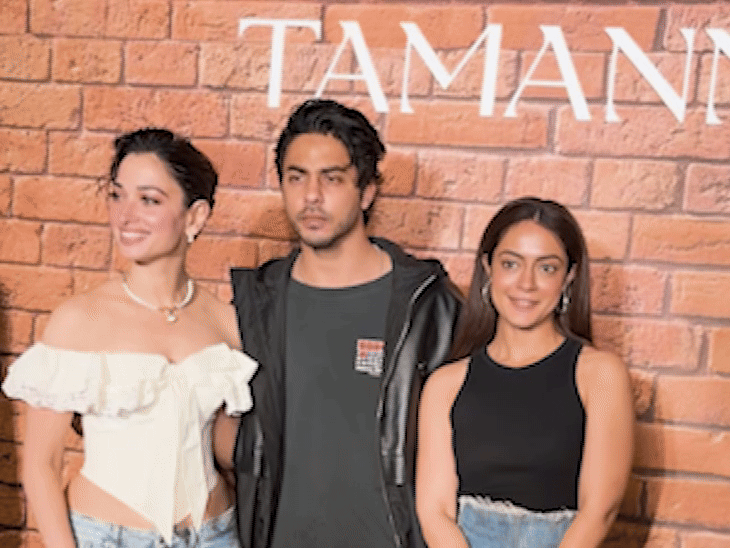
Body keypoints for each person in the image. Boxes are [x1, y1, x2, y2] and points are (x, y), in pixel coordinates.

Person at [2, 128, 257, 548]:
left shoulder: (226, 321)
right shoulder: (78, 321)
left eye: (149, 200)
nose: (125, 216)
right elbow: (40, 466)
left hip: (215, 535)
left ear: (195, 217)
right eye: (117, 196)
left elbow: (231, 453)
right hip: (106, 538)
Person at [224, 99, 461, 548]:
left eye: (331, 178)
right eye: (297, 177)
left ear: (367, 190)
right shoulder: (256, 305)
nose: (311, 196)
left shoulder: (428, 306)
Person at [416, 197, 634, 548]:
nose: (526, 283)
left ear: (569, 277)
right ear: (488, 267)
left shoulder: (599, 375)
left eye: (546, 268)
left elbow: (599, 511)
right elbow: (434, 510)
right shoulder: (446, 385)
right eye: (511, 264)